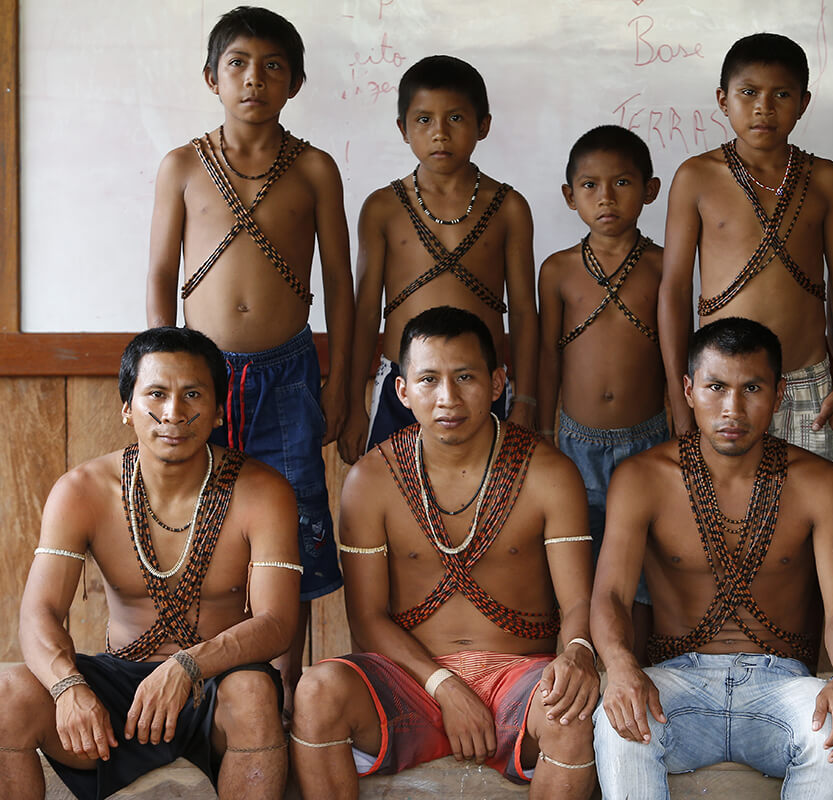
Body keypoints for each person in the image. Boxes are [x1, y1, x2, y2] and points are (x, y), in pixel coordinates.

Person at [290, 307, 598, 800]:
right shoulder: (371, 479)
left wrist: (579, 651)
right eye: (429, 379)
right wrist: (444, 686)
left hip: (518, 679)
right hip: (411, 682)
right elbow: (367, 619)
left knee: (571, 713)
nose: (447, 398)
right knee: (316, 691)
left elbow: (579, 602)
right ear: (402, 391)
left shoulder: (548, 473)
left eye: (466, 377)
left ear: (497, 383)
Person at [145, 5, 353, 706]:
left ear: (295, 83)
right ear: (212, 77)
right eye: (237, 64)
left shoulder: (315, 168)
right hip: (200, 379)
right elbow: (159, 275)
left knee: (290, 520)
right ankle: (208, 687)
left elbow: (341, 285)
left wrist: (340, 386)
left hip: (289, 375)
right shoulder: (182, 166)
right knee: (203, 519)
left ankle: (285, 690)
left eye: (272, 67)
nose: (253, 79)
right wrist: (164, 376)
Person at [0, 327, 301, 800]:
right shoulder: (82, 491)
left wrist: (188, 665)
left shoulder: (264, 493)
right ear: (127, 407)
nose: (173, 413)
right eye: (156, 394)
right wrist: (68, 687)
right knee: (7, 693)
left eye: (193, 394)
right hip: (120, 687)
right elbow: (39, 612)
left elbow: (277, 623)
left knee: (254, 693)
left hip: (218, 686)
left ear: (219, 410)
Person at [592, 317, 833, 799]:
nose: (732, 409)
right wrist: (619, 667)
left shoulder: (818, 483)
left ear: (779, 395)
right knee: (618, 724)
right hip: (674, 681)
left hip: (782, 682)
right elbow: (611, 595)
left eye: (752, 388)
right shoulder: (642, 478)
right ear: (689, 390)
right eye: (716, 387)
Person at [659, 33, 833, 468]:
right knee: (727, 505)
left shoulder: (826, 180)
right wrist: (680, 398)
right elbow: (674, 290)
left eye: (781, 95)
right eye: (748, 93)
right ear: (723, 99)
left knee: (812, 499)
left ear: (803, 103)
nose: (763, 108)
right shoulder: (696, 177)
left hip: (808, 384)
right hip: (722, 387)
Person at [338, 55, 539, 464]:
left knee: (487, 492)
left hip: (482, 384)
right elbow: (366, 313)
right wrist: (354, 403)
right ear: (403, 128)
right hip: (402, 385)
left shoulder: (509, 207)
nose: (440, 133)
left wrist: (526, 400)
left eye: (456, 118)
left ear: (483, 125)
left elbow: (523, 312)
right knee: (396, 491)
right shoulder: (382, 207)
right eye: (424, 120)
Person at [536, 124, 668, 649]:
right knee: (580, 569)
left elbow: (677, 356)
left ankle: (639, 672)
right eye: (590, 185)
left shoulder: (663, 265)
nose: (606, 197)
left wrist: (684, 433)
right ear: (570, 196)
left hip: (649, 442)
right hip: (575, 444)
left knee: (643, 576)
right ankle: (587, 675)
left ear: (650, 190)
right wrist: (544, 434)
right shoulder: (558, 270)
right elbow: (548, 357)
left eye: (622, 183)